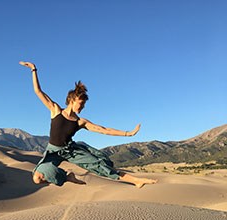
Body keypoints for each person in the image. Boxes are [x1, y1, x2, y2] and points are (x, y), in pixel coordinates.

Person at [20, 61, 157, 188]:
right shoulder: (56, 110)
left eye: (84, 104)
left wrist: (128, 133)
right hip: (52, 151)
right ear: (72, 100)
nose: (83, 107)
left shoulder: (81, 121)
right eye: (81, 103)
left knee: (100, 167)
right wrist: (34, 69)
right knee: (37, 178)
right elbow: (38, 91)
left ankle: (136, 181)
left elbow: (104, 130)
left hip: (71, 151)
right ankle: (68, 177)